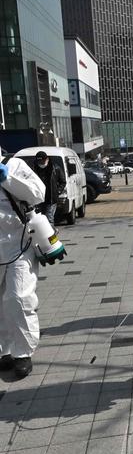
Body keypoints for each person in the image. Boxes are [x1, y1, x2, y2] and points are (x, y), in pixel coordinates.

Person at [0, 153, 46, 378]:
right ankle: (4, 351)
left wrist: (8, 179)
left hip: (19, 245)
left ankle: (22, 354)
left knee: (18, 298)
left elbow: (39, 193)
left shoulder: (14, 165)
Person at [33, 151, 65, 225]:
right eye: (39, 161)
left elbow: (63, 181)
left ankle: (51, 235)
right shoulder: (34, 169)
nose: (41, 163)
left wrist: (58, 191)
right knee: (39, 219)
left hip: (51, 199)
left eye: (42, 161)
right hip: (38, 199)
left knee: (49, 218)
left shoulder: (55, 168)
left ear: (47, 159)